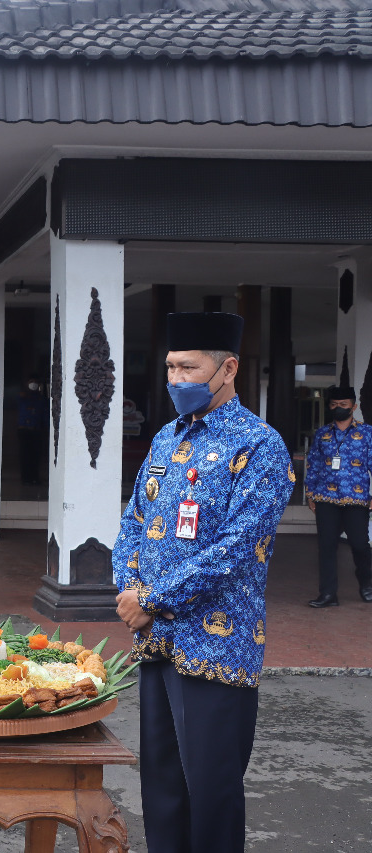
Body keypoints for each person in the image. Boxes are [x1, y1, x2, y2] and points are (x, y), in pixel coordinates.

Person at [113, 312, 294, 853]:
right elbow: (133, 522)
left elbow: (236, 550)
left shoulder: (259, 445)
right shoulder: (166, 439)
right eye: (170, 367)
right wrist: (128, 588)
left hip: (217, 644)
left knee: (211, 793)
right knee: (162, 789)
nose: (176, 379)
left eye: (188, 368)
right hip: (156, 641)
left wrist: (151, 599)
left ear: (228, 368)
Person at [303, 385, 372, 606]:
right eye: (334, 405)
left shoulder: (367, 433)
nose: (338, 408)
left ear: (354, 406)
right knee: (327, 546)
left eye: (343, 404)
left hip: (356, 498)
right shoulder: (322, 433)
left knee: (360, 544)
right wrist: (310, 493)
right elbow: (313, 465)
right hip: (326, 498)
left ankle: (367, 583)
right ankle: (328, 594)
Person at [15, 375, 47, 486]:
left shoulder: (41, 399)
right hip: (24, 430)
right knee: (25, 455)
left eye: (35, 382)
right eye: (31, 381)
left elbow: (44, 415)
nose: (33, 384)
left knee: (36, 455)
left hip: (36, 430)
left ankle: (35, 477)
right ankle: (25, 478)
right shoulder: (22, 397)